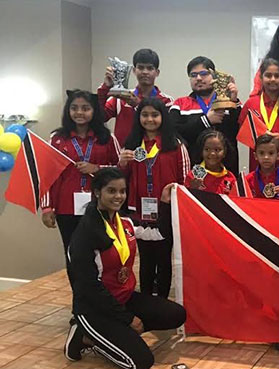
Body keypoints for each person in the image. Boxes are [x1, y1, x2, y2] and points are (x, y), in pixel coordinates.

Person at [63, 167, 186, 369]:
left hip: (124, 298)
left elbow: (159, 233)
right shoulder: (85, 234)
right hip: (94, 308)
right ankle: (84, 337)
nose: (118, 196)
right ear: (97, 192)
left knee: (176, 314)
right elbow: (89, 287)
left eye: (122, 191)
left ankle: (118, 334)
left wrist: (165, 203)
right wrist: (128, 319)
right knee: (140, 363)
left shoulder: (125, 222)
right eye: (111, 191)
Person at [119, 98, 190, 297]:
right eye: (145, 115)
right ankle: (147, 300)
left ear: (163, 117)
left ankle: (162, 301)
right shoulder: (131, 144)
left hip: (166, 210)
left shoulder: (175, 145)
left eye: (155, 115)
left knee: (164, 258)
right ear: (138, 117)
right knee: (145, 258)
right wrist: (122, 163)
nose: (149, 119)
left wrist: (175, 201)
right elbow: (120, 181)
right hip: (139, 209)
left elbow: (184, 180)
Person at [41, 90, 120, 266]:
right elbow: (47, 175)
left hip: (100, 205)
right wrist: (47, 207)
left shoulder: (107, 138)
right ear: (68, 111)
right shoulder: (57, 139)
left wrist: (97, 168)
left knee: (102, 255)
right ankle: (79, 293)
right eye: (74, 108)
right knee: (73, 255)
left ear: (94, 111)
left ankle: (99, 293)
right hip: (66, 208)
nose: (79, 113)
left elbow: (120, 170)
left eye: (85, 108)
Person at [170, 56, 241, 175]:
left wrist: (233, 101)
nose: (198, 78)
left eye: (203, 73)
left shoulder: (229, 102)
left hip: (226, 175)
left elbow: (239, 131)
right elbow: (174, 133)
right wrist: (206, 121)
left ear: (214, 76)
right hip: (192, 174)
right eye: (193, 75)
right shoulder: (180, 104)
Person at [97, 49, 174, 146]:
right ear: (134, 70)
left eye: (150, 68)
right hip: (125, 155)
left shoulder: (166, 101)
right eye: (141, 68)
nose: (145, 72)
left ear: (157, 72)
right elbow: (100, 117)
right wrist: (105, 87)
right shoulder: (120, 98)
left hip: (154, 156)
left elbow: (168, 130)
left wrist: (138, 105)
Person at [241, 58, 279, 172]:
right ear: (261, 78)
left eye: (277, 76)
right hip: (257, 166)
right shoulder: (251, 103)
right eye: (268, 75)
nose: (273, 79)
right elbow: (241, 130)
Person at [184, 129, 239, 196]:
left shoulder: (230, 178)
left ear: (224, 152)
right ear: (201, 151)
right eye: (207, 149)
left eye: (217, 150)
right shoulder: (193, 175)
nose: (212, 153)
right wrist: (192, 189)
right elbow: (185, 200)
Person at [244, 134, 279, 199]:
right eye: (262, 153)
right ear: (255, 156)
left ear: (278, 156)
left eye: (271, 153)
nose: (266, 157)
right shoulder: (248, 179)